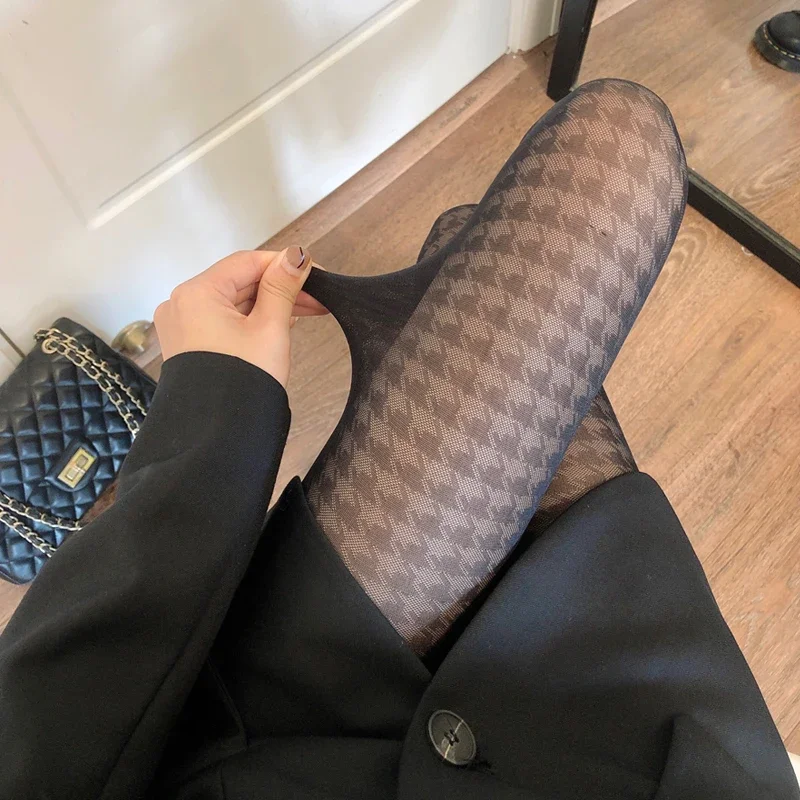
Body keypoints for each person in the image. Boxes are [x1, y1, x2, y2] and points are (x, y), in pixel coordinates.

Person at [0, 80, 798, 800]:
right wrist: (211, 401)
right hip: (635, 747)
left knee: (551, 190)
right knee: (590, 164)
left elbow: (53, 738)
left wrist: (219, 407)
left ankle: (423, 321)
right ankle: (424, 324)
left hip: (286, 735)